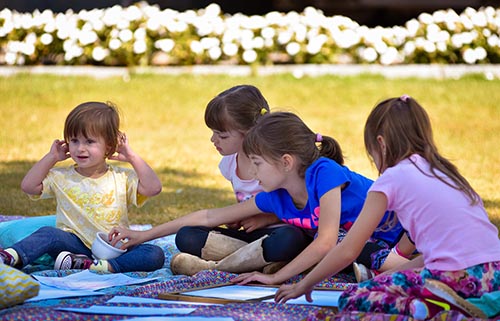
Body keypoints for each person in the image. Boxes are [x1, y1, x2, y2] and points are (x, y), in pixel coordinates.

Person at [109, 111, 408, 283]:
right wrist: (144, 235)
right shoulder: (278, 195)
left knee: (335, 243)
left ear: (286, 162)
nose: (251, 172)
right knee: (189, 235)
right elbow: (209, 216)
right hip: (355, 245)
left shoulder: (324, 172)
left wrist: (277, 280)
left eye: (257, 163)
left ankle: (391, 267)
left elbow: (328, 241)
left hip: (403, 236)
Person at [274, 95, 500, 320]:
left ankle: (431, 310)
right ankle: (484, 304)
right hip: (493, 274)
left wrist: (305, 284)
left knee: (352, 298)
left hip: (453, 277)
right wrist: (385, 277)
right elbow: (440, 254)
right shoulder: (447, 173)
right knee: (385, 284)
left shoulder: (391, 180)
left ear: (380, 144)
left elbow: (348, 249)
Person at [0, 101, 165, 273]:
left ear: (109, 145)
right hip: (72, 245)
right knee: (49, 233)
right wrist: (51, 157)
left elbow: (154, 188)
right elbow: (28, 186)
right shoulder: (61, 176)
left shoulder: (121, 177)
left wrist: (131, 156)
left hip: (113, 247)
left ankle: (104, 267)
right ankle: (9, 257)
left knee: (154, 254)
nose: (80, 148)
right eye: (74, 140)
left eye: (89, 141)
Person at [174, 85, 283, 274]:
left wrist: (268, 218)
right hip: (248, 238)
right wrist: (237, 218)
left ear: (248, 133)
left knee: (290, 239)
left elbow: (304, 207)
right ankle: (261, 262)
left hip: (279, 232)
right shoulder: (230, 163)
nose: (213, 139)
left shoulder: (276, 162)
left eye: (222, 135)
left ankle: (216, 267)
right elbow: (225, 211)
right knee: (186, 235)